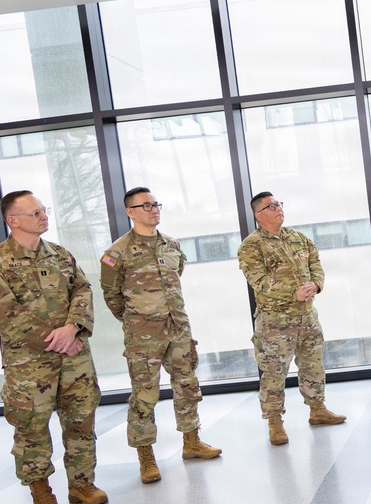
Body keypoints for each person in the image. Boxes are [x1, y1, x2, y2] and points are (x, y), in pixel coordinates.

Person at [0, 190, 107, 504]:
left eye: (44, 210)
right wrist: (60, 338)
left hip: (74, 359)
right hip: (29, 365)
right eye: (35, 213)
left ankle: (81, 484)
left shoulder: (60, 255)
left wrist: (74, 327)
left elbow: (83, 289)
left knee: (81, 422)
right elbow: (5, 314)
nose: (43, 216)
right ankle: (41, 492)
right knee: (31, 429)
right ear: (13, 220)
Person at [100, 187, 221, 483]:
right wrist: (136, 320)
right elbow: (111, 295)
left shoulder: (171, 245)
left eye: (156, 204)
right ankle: (146, 457)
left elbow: (176, 276)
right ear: (131, 212)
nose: (154, 209)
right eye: (146, 206)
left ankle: (191, 442)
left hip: (177, 327)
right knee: (144, 395)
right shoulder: (116, 253)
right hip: (143, 335)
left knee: (187, 384)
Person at [237, 192, 346, 445]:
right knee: (274, 372)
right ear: (258, 214)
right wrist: (291, 292)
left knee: (312, 364)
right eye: (271, 206)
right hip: (275, 322)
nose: (278, 209)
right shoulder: (251, 246)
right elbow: (259, 281)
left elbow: (316, 264)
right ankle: (274, 422)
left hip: (307, 316)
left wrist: (315, 285)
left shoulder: (298, 238)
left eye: (279, 204)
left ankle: (317, 409)